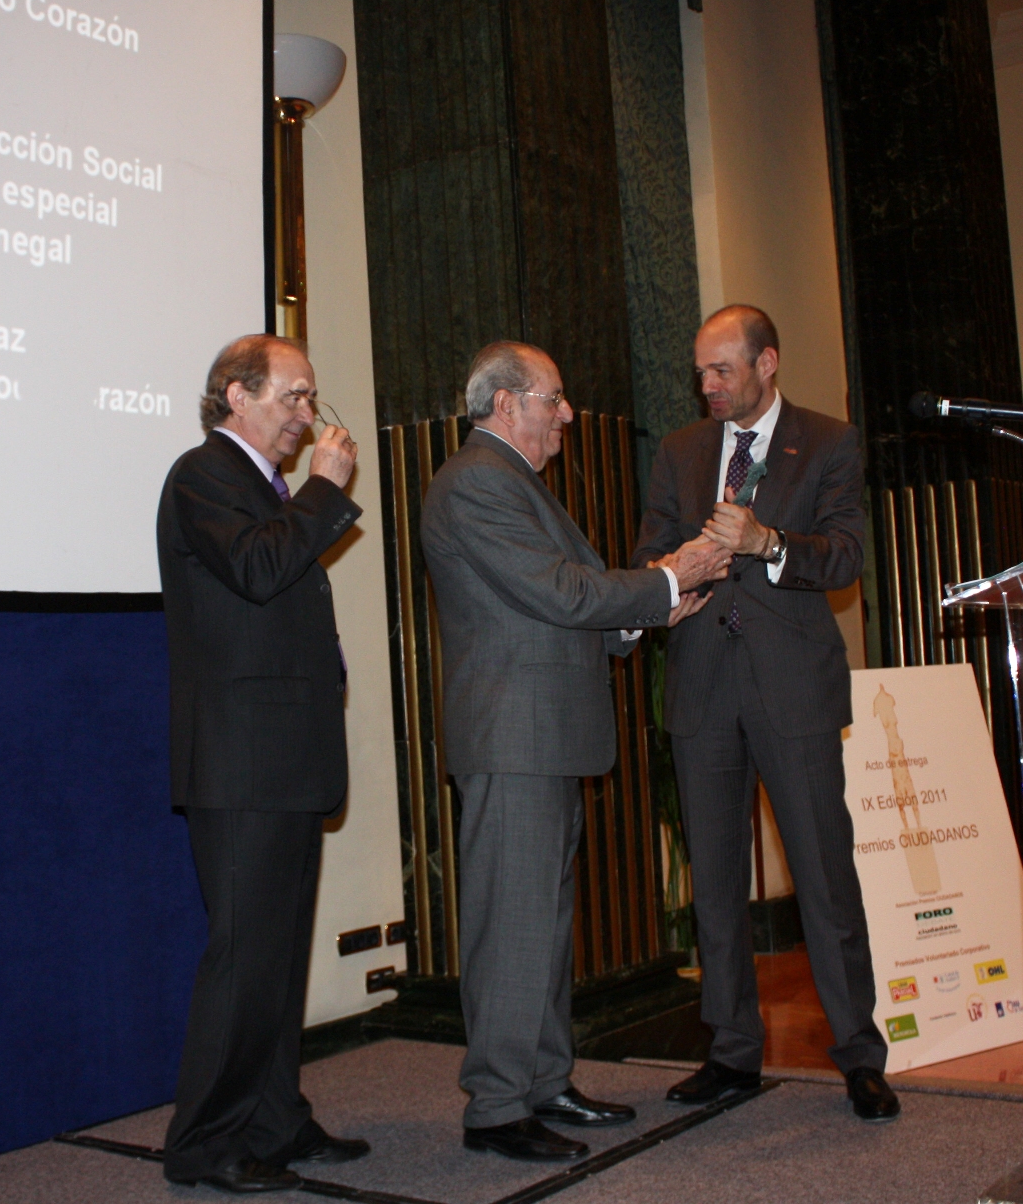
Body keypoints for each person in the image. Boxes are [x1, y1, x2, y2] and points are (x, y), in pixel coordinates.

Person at [420, 340, 730, 1162]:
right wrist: (667, 578)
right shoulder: (478, 480)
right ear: (506, 404)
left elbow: (552, 607)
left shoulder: (514, 481)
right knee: (510, 925)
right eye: (553, 397)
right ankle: (496, 1106)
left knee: (541, 926)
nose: (567, 413)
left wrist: (645, 614)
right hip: (514, 738)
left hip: (542, 736)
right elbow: (558, 591)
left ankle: (542, 1080)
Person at [631, 304, 899, 1122]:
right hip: (703, 686)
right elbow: (649, 554)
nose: (708, 385)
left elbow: (845, 555)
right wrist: (673, 573)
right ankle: (732, 1050)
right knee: (715, 883)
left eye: (723, 369)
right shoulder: (680, 450)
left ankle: (860, 1054)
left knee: (823, 872)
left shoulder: (827, 442)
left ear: (767, 362)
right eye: (700, 372)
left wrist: (767, 542)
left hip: (793, 690)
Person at [157, 334, 370, 1193]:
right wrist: (324, 489)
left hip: (286, 756)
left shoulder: (265, 489)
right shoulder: (202, 475)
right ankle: (203, 1143)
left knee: (277, 960)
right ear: (237, 396)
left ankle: (275, 1120)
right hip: (244, 762)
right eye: (292, 395)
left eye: (311, 397)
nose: (307, 415)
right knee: (245, 958)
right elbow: (257, 567)